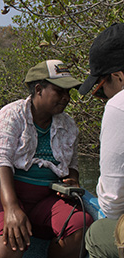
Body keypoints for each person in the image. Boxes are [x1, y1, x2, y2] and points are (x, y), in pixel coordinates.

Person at [0, 60, 94, 258]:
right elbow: (1, 160)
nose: (66, 98)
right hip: (0, 192)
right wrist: (11, 208)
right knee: (13, 239)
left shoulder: (68, 124)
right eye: (60, 91)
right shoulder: (11, 114)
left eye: (68, 92)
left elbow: (72, 164)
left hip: (44, 199)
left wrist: (73, 179)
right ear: (39, 89)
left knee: (80, 225)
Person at [79, 23, 124, 258]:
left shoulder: (119, 105)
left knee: (97, 233)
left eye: (101, 88)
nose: (104, 96)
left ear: (118, 76)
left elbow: (112, 201)